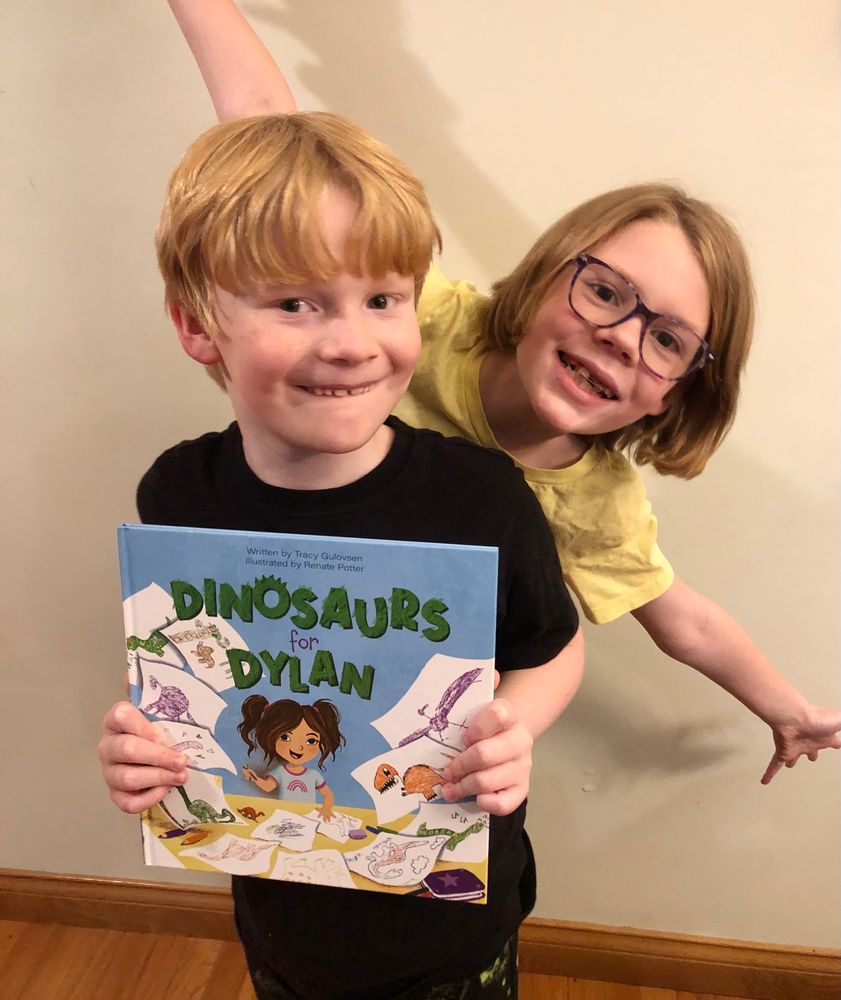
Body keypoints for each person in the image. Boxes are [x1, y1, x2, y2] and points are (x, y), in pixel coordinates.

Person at [162, 0, 840, 784]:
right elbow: (277, 151)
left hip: (415, 737)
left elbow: (678, 615)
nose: (623, 335)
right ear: (548, 273)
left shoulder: (591, 500)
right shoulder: (420, 319)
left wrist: (785, 707)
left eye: (666, 341)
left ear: (674, 395)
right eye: (607, 293)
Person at [98, 110, 584, 1000]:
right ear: (199, 324)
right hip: (281, 912)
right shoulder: (177, 496)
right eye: (296, 302)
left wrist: (512, 727)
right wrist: (144, 744)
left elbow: (552, 645)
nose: (354, 340)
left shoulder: (479, 496)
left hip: (450, 925)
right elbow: (188, 677)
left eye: (383, 298)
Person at [239, 696, 346, 821]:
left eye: (311, 740)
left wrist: (326, 809)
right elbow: (268, 787)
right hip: (283, 818)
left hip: (307, 818)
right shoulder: (280, 772)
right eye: (285, 737)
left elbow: (328, 795)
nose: (299, 747)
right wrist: (254, 777)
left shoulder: (313, 775)